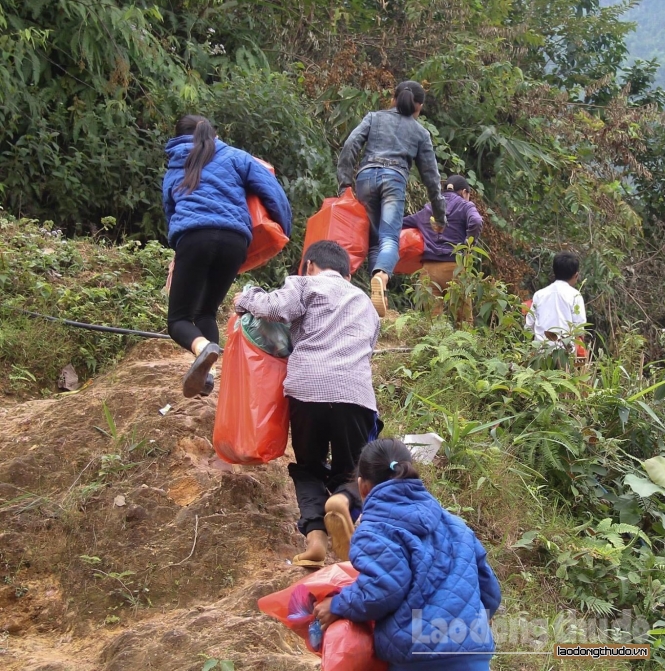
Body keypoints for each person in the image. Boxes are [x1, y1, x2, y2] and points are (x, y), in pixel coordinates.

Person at [234, 241, 381, 567]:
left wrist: (243, 299)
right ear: (347, 272)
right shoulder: (365, 303)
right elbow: (369, 345)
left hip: (307, 392)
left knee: (309, 469)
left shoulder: (304, 283)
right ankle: (343, 500)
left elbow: (273, 309)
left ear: (310, 264)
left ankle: (315, 541)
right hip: (354, 394)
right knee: (358, 470)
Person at [314, 439, 501, 671]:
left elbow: (382, 589)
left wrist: (337, 604)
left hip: (418, 658)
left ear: (362, 486)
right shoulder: (456, 525)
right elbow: (490, 591)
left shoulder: (375, 529)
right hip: (474, 656)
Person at [162, 114, 292, 398]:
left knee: (179, 321)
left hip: (194, 238)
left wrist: (179, 248)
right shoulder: (236, 156)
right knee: (206, 311)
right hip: (235, 241)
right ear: (213, 134)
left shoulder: (175, 165)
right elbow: (273, 192)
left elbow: (171, 212)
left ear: (179, 137)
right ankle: (207, 376)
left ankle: (201, 349)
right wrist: (284, 228)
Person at [337, 80, 448, 317]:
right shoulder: (420, 133)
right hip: (394, 180)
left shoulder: (374, 118)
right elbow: (431, 178)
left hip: (365, 178)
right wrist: (439, 215)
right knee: (389, 240)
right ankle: (382, 276)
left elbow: (350, 144)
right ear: (418, 106)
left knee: (373, 240)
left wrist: (345, 183)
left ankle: (376, 299)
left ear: (394, 98)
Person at [403, 174, 483, 321]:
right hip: (454, 268)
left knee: (433, 322)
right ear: (464, 192)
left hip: (428, 271)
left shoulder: (428, 209)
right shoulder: (465, 206)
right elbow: (476, 221)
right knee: (464, 322)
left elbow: (398, 225)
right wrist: (468, 245)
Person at [525, 251, 587, 349]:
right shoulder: (575, 296)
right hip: (565, 354)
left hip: (541, 352)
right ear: (576, 275)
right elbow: (579, 330)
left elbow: (529, 325)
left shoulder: (539, 295)